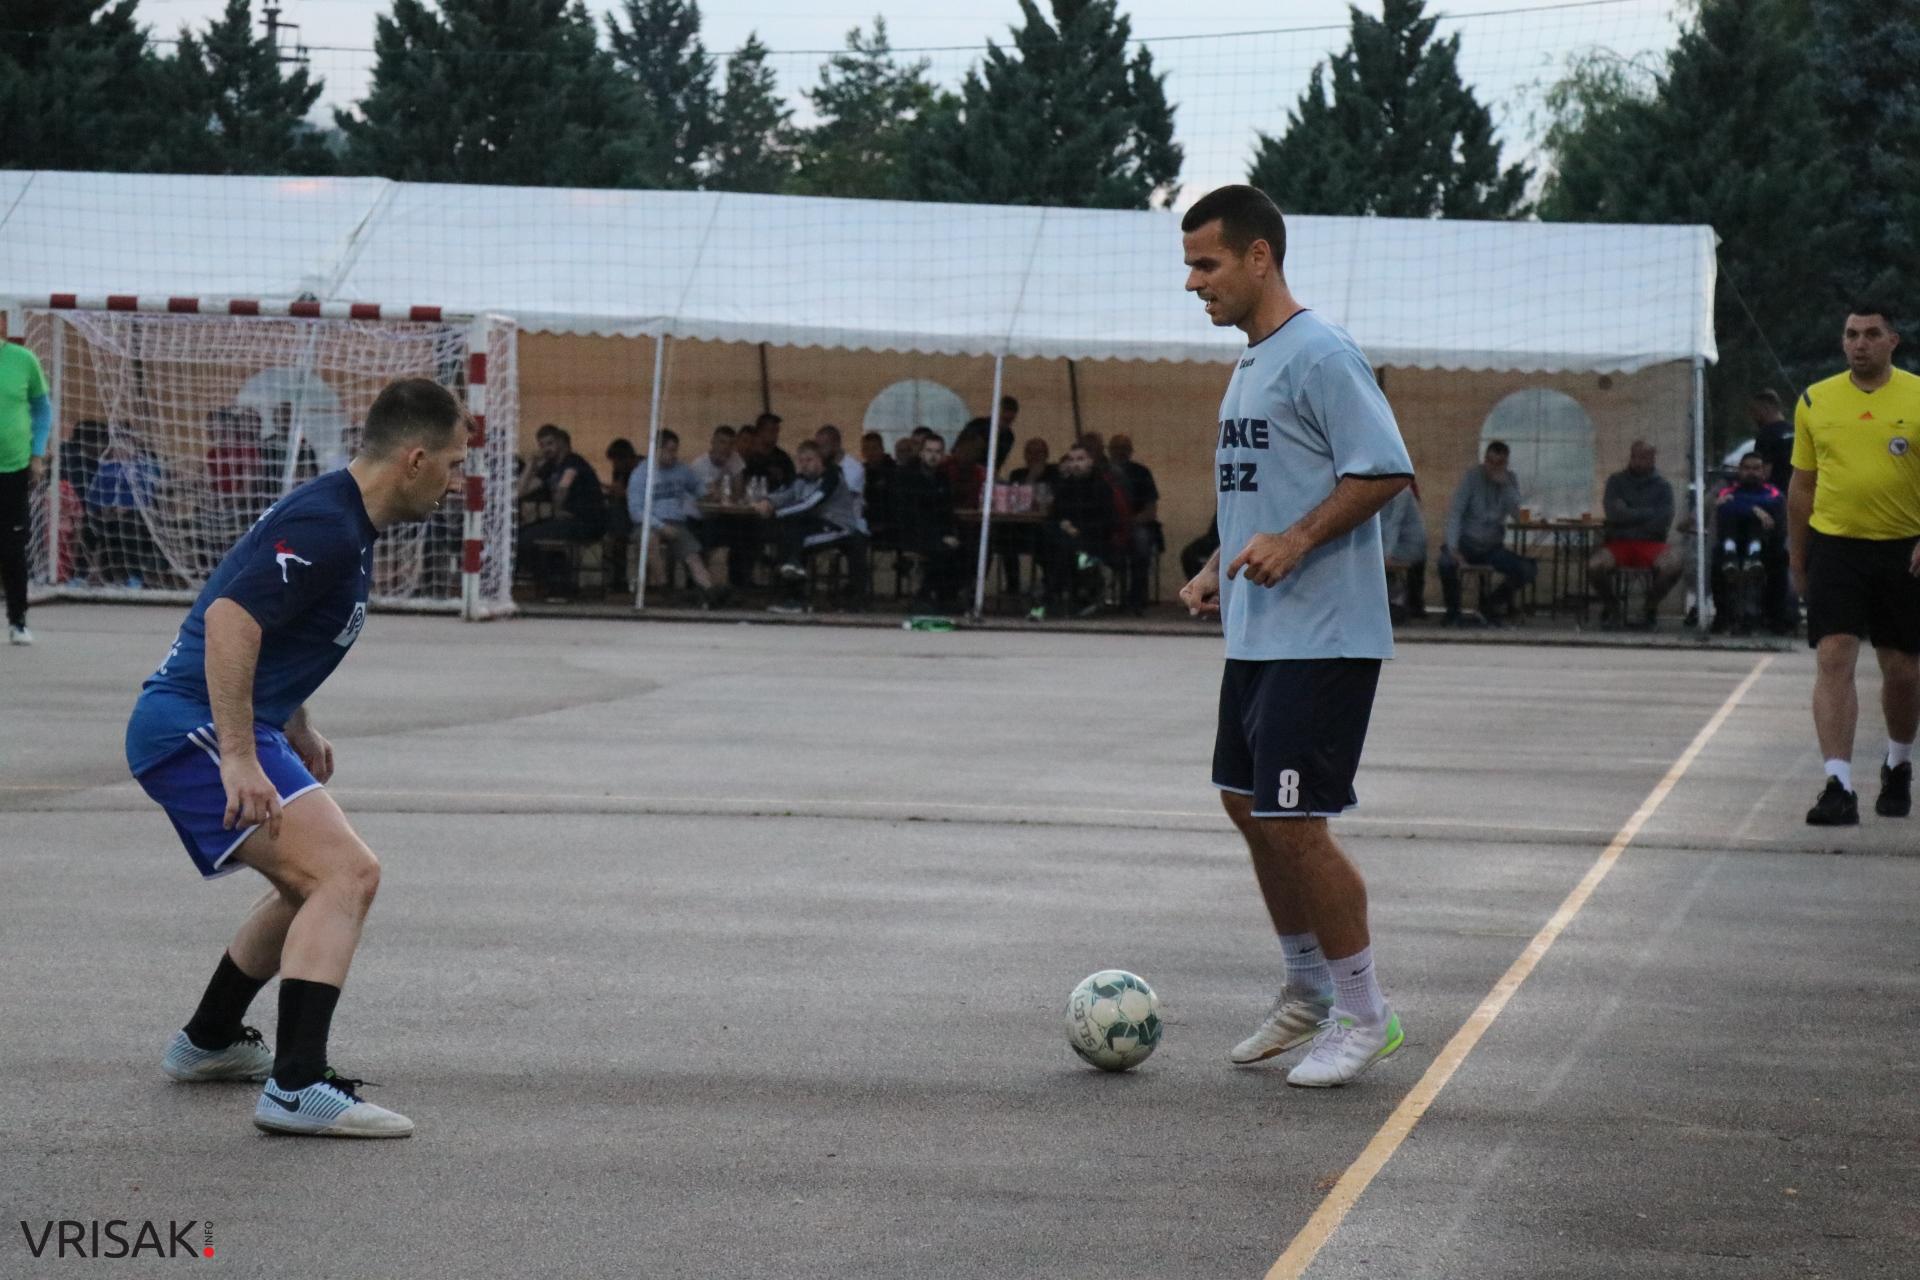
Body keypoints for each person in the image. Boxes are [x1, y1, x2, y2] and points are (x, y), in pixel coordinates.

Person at [125, 376, 469, 1138]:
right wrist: (239, 757)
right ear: (415, 459)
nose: (456, 483)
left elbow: (277, 631)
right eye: (454, 464)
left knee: (305, 885)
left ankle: (209, 1041)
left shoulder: (345, 520)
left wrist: (297, 723)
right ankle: (296, 1086)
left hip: (229, 722)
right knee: (347, 875)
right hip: (189, 725)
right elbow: (232, 621)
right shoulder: (328, 525)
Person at [1177, 184, 1415, 1088]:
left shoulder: (1320, 352)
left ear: (1259, 257)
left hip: (1322, 635)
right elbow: (1263, 491)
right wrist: (1219, 562)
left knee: (1295, 822)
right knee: (1247, 805)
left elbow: (1384, 470)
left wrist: (1298, 540)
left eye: (1206, 264)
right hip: (1259, 635)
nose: (1194, 283)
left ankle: (1366, 1013)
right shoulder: (1253, 361)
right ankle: (1307, 989)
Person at [1787, 301, 1920, 826]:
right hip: (1836, 547)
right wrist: (1798, 557)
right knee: (1834, 654)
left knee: (1902, 670)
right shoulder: (1815, 399)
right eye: (1850, 334)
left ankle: (1898, 762)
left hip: (1903, 548)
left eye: (1870, 334)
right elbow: (1802, 486)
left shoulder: (1916, 394)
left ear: (1892, 341)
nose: (1859, 343)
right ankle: (1838, 784)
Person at [753, 439, 869, 613]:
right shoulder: (800, 479)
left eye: (809, 460)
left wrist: (776, 513)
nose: (804, 465)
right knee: (789, 533)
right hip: (815, 525)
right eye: (801, 461)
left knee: (795, 541)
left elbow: (810, 503)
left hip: (839, 527)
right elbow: (786, 494)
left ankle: (795, 595)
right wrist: (768, 501)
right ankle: (792, 587)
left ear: (820, 460)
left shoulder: (831, 477)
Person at [1438, 441, 1533, 626]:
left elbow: (1519, 516)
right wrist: (1453, 547)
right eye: (1490, 462)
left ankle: (1489, 606)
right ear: (1485, 460)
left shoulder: (1510, 480)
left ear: (1506, 463)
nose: (1493, 467)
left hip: (1492, 548)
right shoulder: (1472, 477)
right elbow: (1455, 513)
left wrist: (1506, 486)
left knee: (1527, 569)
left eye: (1499, 463)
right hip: (1467, 543)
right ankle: (1453, 613)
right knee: (1445, 562)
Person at [1589, 441, 1683, 628]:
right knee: (1594, 566)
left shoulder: (1663, 486)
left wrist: (1628, 514)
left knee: (1674, 565)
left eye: (1644, 457)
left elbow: (1663, 520)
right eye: (1635, 456)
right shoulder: (1616, 481)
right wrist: (1647, 513)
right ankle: (1613, 608)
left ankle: (1649, 608)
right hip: (1619, 542)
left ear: (1653, 459)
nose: (1639, 461)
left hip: (1652, 543)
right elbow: (1613, 514)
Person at [630, 429, 725, 607]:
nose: (674, 455)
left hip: (676, 522)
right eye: (670, 450)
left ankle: (709, 590)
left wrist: (708, 494)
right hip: (648, 523)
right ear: (657, 450)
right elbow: (636, 510)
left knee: (692, 554)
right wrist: (660, 526)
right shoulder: (641, 474)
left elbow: (696, 486)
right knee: (650, 539)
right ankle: (663, 587)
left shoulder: (681, 469)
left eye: (675, 450)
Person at [1, 335, 52, 645]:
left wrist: (37, 453)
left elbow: (43, 410)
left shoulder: (23, 359)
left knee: (12, 548)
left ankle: (18, 621)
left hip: (14, 468)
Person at [516, 424, 606, 596]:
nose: (546, 449)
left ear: (561, 443)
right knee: (520, 535)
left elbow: (563, 488)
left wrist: (557, 510)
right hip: (567, 520)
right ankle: (553, 581)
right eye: (542, 445)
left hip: (587, 521)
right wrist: (531, 465)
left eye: (550, 443)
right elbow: (521, 491)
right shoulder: (549, 467)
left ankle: (557, 584)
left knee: (527, 538)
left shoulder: (573, 462)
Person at [1711, 452, 1789, 634]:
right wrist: (1754, 508)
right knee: (1717, 561)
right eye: (1747, 468)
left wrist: (1740, 506)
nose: (1751, 473)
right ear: (1739, 470)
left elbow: (1773, 506)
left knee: (1779, 560)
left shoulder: (1773, 492)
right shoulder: (1728, 491)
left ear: (1763, 471)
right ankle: (1723, 617)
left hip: (1767, 547)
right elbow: (1722, 508)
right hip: (1733, 545)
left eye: (1756, 468)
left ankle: (1774, 619)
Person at [1035, 443, 1115, 619]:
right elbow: (1055, 515)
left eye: (1080, 459)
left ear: (1091, 461)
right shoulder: (1065, 486)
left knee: (1065, 549)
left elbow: (1106, 521)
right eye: (1071, 460)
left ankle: (1051, 596)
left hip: (1094, 542)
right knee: (1047, 540)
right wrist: (1063, 526)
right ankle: (1058, 595)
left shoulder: (1101, 487)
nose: (1075, 464)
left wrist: (1077, 530)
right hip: (1065, 538)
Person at [893, 434, 965, 608]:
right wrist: (941, 537)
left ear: (943, 454)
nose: (933, 456)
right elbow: (912, 515)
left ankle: (948, 596)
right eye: (929, 451)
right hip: (913, 533)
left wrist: (950, 534)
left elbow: (946, 511)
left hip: (937, 534)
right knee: (943, 551)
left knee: (964, 550)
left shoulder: (942, 478)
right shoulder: (907, 476)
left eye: (938, 452)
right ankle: (925, 594)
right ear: (921, 452)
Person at [1109, 433, 1162, 613]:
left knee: (1141, 542)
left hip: (1137, 524)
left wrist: (1130, 522)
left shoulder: (1142, 473)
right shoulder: (1102, 474)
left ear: (1131, 451)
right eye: (1116, 448)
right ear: (1109, 451)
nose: (1120, 452)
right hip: (1108, 526)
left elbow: (1150, 510)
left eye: (1124, 449)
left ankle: (1137, 596)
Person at [1378, 484, 1427, 623]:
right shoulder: (1380, 490)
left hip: (1410, 546)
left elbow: (1394, 523)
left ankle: (1394, 603)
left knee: (1375, 562)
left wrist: (1387, 554)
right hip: (1394, 544)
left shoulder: (1402, 491)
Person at [813, 424, 868, 534]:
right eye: (817, 447)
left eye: (823, 446)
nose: (819, 451)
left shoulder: (854, 468)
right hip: (825, 524)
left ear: (836, 444)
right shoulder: (821, 467)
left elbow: (834, 496)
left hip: (848, 526)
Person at [1750, 389, 1795, 492]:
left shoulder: (1766, 435)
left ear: (1765, 409)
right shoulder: (1794, 430)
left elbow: (1764, 473)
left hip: (1775, 493)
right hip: (1797, 491)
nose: (1753, 417)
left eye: (1755, 411)